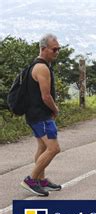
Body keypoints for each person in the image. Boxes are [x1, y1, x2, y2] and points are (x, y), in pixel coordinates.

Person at [20, 34, 62, 197]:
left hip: (35, 115)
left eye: (58, 48)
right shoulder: (42, 68)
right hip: (41, 116)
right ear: (43, 49)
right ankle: (31, 180)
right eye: (54, 49)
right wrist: (55, 109)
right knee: (54, 148)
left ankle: (41, 180)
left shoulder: (38, 65)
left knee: (43, 147)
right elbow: (46, 96)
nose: (57, 52)